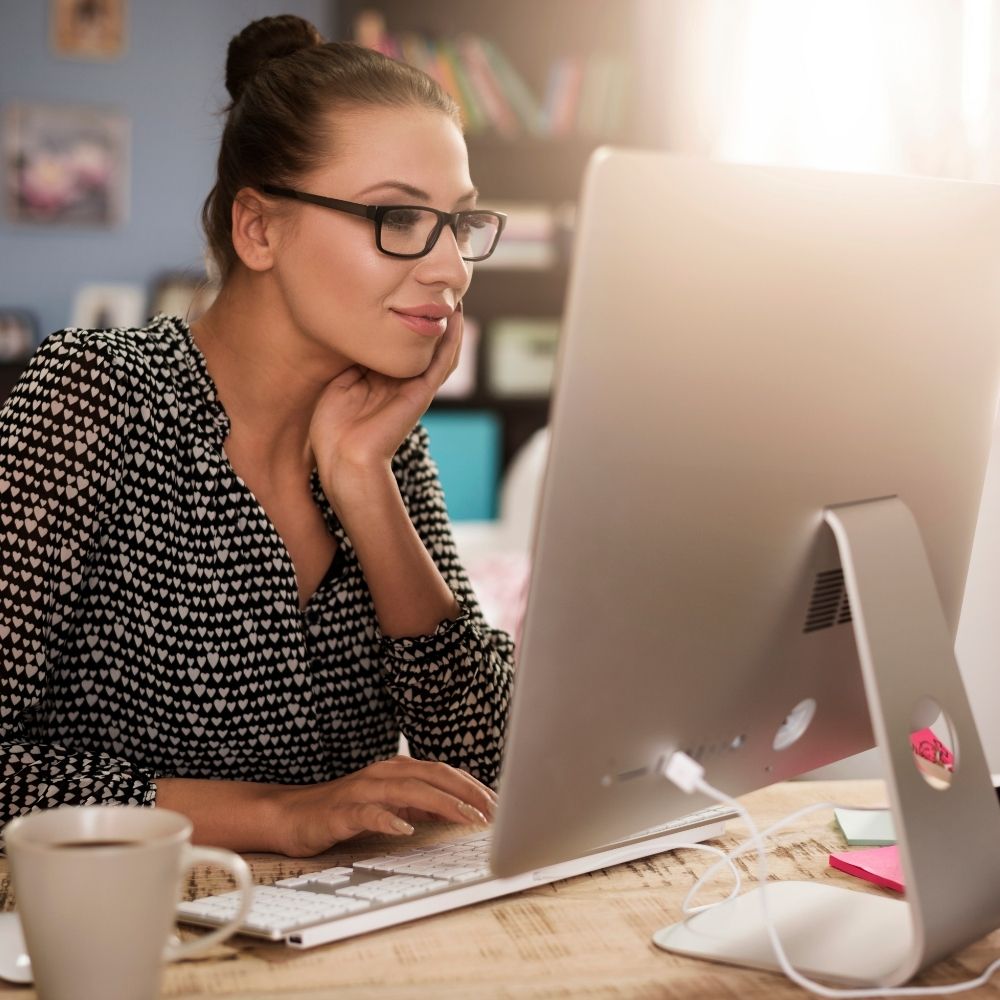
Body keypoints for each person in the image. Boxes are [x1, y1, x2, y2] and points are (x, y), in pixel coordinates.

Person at [0, 15, 514, 857]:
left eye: (456, 223)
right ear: (259, 229)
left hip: (350, 944)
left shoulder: (380, 434)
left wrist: (362, 479)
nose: (450, 268)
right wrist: (276, 815)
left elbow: (480, 760)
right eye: (396, 217)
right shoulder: (97, 397)